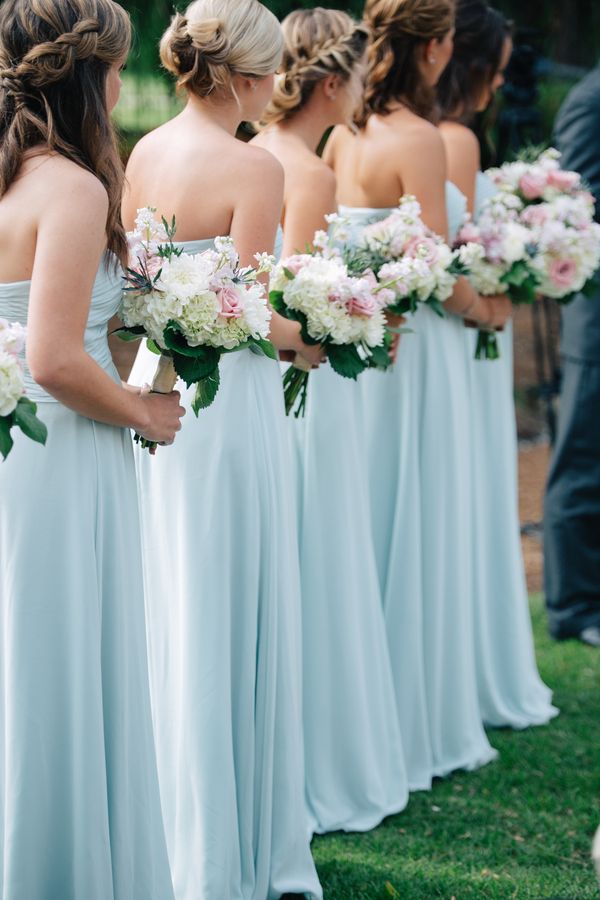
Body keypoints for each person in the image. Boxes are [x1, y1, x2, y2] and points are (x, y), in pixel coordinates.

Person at [121, 1, 323, 897]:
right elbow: (243, 315)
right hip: (227, 411)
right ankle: (233, 842)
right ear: (249, 73)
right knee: (233, 599)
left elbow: (140, 293)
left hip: (153, 392)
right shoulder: (255, 166)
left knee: (176, 594)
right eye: (277, 67)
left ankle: (169, 821)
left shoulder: (144, 151)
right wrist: (318, 331)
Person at [0, 1, 184, 898]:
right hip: (58, 457)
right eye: (116, 69)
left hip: (18, 451)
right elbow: (54, 356)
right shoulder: (68, 187)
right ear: (90, 76)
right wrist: (144, 413)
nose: (122, 86)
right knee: (58, 662)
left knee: (23, 662)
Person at [326, 0, 510, 788]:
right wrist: (492, 308)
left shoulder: (344, 132)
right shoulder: (423, 140)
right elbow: (436, 271)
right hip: (422, 349)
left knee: (367, 511)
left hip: (364, 347)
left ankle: (356, 697)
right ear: (438, 48)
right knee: (420, 512)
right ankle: (416, 709)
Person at [252, 7, 409, 834]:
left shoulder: (253, 151)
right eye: (358, 76)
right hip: (301, 391)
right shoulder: (306, 174)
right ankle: (324, 753)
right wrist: (361, 317)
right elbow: (296, 309)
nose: (364, 92)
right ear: (328, 83)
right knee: (318, 550)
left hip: (258, 391)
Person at [438, 0, 557, 727]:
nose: (501, 83)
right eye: (499, 69)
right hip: (465, 329)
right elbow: (451, 247)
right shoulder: (450, 137)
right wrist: (496, 300)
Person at [544, 64, 600, 647]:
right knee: (581, 463)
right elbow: (579, 208)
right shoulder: (591, 102)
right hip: (595, 320)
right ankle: (572, 607)